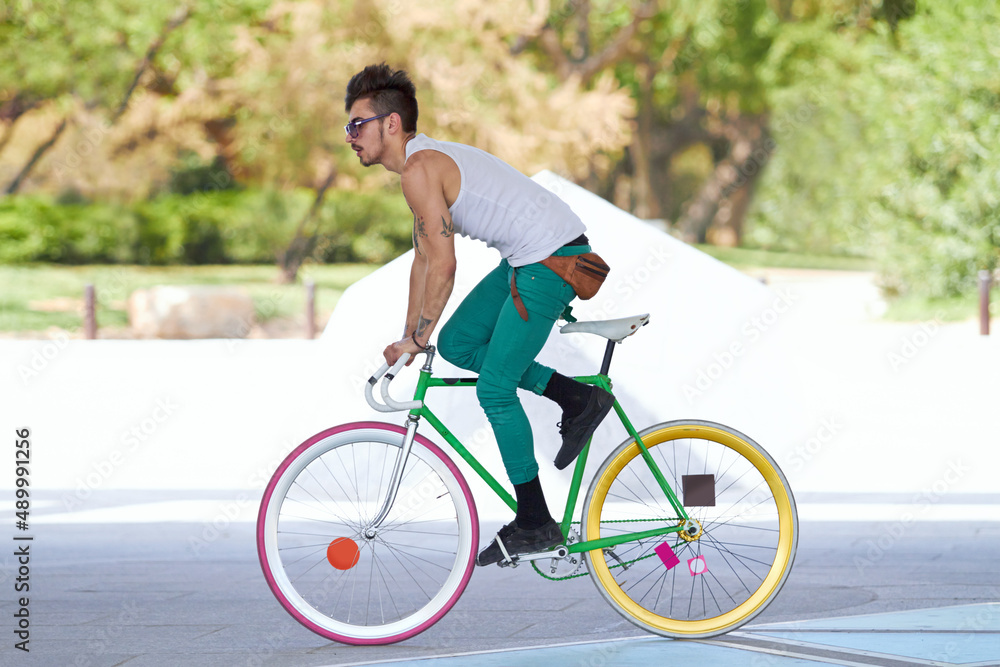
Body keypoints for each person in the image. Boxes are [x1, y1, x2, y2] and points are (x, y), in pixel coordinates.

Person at [345, 63, 614, 566]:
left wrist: (414, 340)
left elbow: (445, 265)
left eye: (357, 124)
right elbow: (424, 260)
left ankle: (535, 520)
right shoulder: (418, 170)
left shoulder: (421, 169)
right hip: (528, 258)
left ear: (391, 124)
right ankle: (576, 397)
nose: (350, 137)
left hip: (550, 260)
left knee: (494, 388)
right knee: (458, 344)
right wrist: (412, 338)